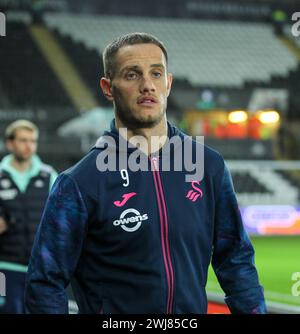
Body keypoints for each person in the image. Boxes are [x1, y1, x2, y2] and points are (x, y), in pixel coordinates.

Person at [25, 33, 266, 314]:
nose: (147, 85)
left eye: (156, 73)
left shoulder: (207, 165)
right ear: (107, 87)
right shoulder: (78, 183)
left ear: (169, 83)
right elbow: (45, 283)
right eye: (132, 75)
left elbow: (235, 259)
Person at [0, 120, 57, 313]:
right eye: (23, 140)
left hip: (40, 270)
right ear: (9, 143)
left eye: (33, 141)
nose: (28, 146)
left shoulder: (50, 176)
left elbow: (61, 221)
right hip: (4, 269)